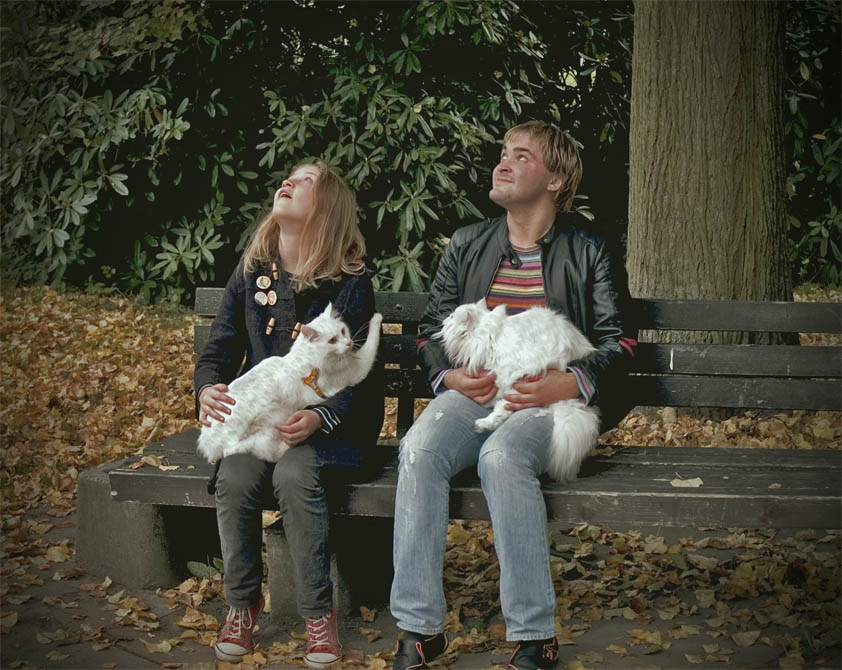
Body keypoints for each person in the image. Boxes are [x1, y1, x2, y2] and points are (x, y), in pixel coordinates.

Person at [389, 121, 635, 670]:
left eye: (522, 156)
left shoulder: (587, 248)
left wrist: (569, 382)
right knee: (419, 450)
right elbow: (431, 333)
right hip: (475, 392)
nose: (503, 162)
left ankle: (534, 636)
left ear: (555, 180)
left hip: (550, 399)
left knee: (501, 456)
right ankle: (419, 628)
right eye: (503, 152)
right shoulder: (467, 243)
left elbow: (620, 341)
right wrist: (448, 378)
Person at [194, 159, 383, 668]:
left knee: (296, 475)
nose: (288, 183)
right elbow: (220, 348)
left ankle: (318, 615)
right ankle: (242, 604)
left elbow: (359, 377)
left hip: (328, 427)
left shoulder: (350, 282)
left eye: (305, 182)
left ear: (328, 210)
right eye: (289, 178)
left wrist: (320, 419)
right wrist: (208, 389)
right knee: (234, 477)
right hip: (263, 421)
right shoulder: (253, 270)